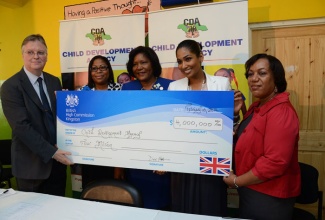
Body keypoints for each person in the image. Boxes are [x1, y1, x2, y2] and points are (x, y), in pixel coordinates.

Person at [168, 39, 243, 216]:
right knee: (183, 208)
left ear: (201, 57)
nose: (184, 65)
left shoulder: (220, 84)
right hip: (183, 158)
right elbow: (171, 126)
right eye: (179, 61)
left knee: (210, 205)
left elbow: (227, 124)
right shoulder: (174, 87)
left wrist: (234, 114)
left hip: (212, 158)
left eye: (188, 59)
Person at [223, 53, 300, 220]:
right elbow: (248, 136)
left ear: (276, 79)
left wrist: (237, 181)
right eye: (250, 74)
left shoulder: (281, 112)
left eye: (262, 73)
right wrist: (237, 114)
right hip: (251, 189)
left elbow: (275, 162)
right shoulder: (257, 105)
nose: (254, 79)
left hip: (269, 196)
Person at [0, 34, 73, 196]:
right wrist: (52, 152)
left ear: (46, 56)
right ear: (23, 55)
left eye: (41, 52)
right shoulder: (10, 86)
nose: (36, 56)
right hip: (30, 166)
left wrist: (67, 104)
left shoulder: (54, 81)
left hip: (57, 163)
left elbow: (58, 118)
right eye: (30, 52)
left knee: (56, 210)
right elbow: (21, 127)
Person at [122, 46, 173, 210]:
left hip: (162, 165)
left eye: (143, 62)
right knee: (137, 205)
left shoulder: (171, 87)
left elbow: (176, 127)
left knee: (161, 207)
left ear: (153, 64)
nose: (139, 67)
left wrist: (166, 159)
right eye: (135, 64)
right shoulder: (127, 89)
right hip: (136, 162)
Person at [77, 55, 121, 188]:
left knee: (114, 193)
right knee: (92, 191)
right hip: (90, 154)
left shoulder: (120, 90)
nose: (99, 71)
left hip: (115, 152)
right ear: (90, 72)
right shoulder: (82, 92)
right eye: (94, 68)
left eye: (102, 67)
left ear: (109, 70)